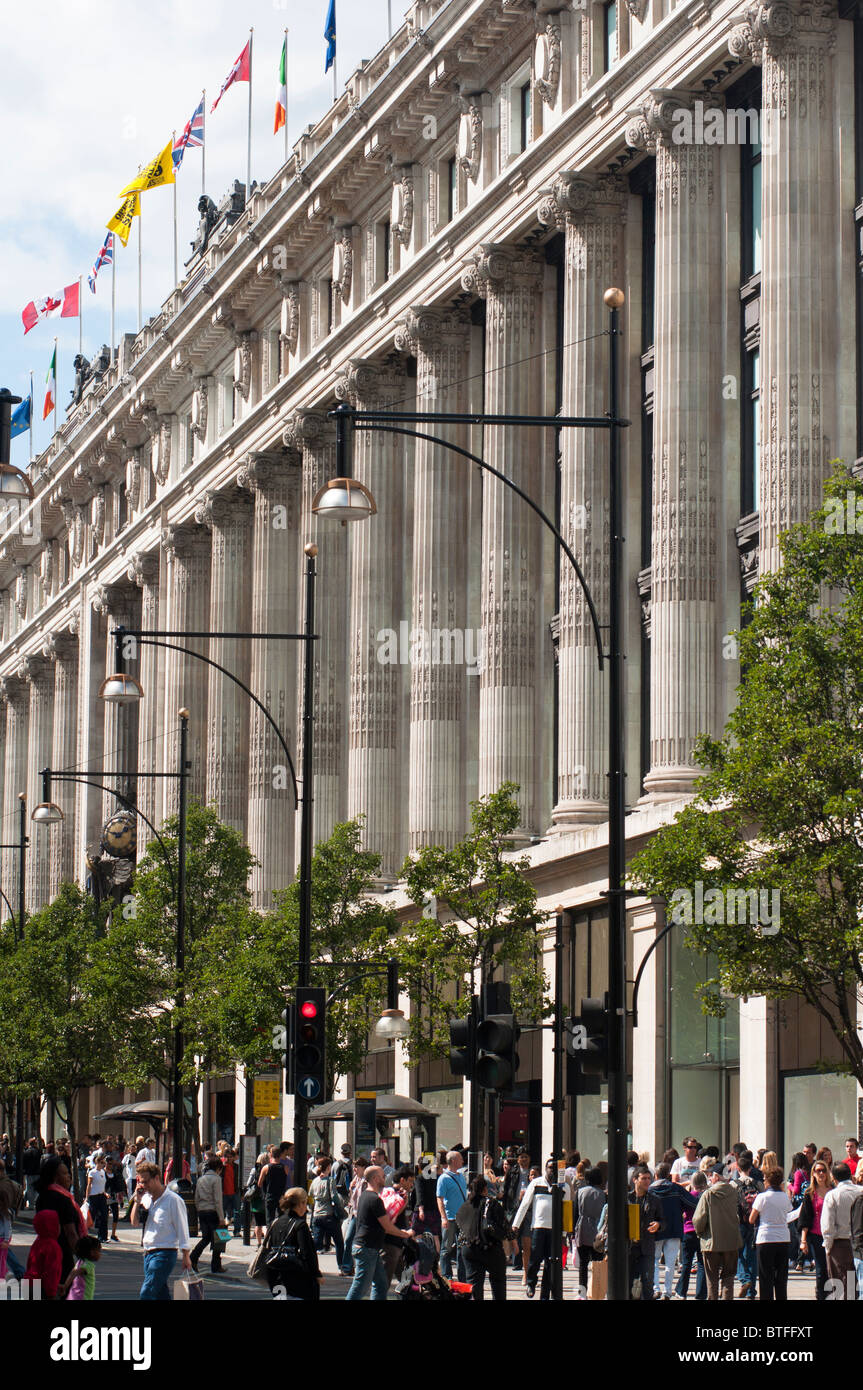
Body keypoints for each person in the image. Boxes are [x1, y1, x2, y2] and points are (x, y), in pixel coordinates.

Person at [345, 1165, 411, 1300]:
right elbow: (387, 1226)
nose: (385, 1178)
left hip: (370, 1248)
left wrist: (403, 1203)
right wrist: (405, 1234)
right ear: (375, 1179)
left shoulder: (366, 1195)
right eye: (382, 1176)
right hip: (366, 1248)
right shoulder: (374, 1199)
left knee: (381, 1285)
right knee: (360, 1286)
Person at [131, 1160, 192, 1299]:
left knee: (146, 1293)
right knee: (160, 1294)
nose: (144, 1186)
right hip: (148, 1252)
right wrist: (137, 1201)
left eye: (146, 1182)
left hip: (164, 1253)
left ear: (157, 1178)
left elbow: (183, 1228)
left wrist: (186, 1255)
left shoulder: (173, 1200)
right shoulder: (146, 1198)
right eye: (141, 1182)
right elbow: (134, 1222)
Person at [514, 1158, 570, 1301]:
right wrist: (516, 1224)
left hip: (555, 1229)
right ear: (546, 1169)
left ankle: (545, 1294)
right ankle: (531, 1283)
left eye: (555, 1168)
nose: (553, 1171)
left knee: (551, 1263)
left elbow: (567, 1211)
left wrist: (564, 1233)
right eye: (550, 1168)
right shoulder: (536, 1183)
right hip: (539, 1226)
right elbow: (525, 1204)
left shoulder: (563, 1187)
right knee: (535, 1257)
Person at [259, 1187, 322, 1300]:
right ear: (301, 1204)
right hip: (295, 1279)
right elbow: (307, 1253)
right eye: (305, 1203)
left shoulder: (276, 1222)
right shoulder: (300, 1225)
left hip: (276, 1277)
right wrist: (316, 1274)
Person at [456, 1173, 511, 1300]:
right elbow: (504, 1226)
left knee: (474, 1284)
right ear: (485, 1189)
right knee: (498, 1282)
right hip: (490, 1247)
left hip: (469, 1248)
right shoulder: (491, 1203)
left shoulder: (464, 1206)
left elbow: (459, 1223)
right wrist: (511, 1239)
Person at [693, 1162, 742, 1301]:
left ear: (716, 1177)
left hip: (711, 1241)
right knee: (728, 1278)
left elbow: (698, 1219)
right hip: (732, 1241)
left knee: (712, 1279)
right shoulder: (734, 1192)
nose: (709, 1178)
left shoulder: (708, 1194)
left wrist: (701, 1233)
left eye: (710, 1175)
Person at [649, 1162, 698, 1299]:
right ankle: (667, 1291)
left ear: (656, 1175)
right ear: (669, 1175)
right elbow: (692, 1203)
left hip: (655, 1229)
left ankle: (655, 1288)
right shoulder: (676, 1188)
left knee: (654, 1260)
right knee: (670, 1262)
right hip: (674, 1228)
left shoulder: (649, 1190)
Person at [34, 1155, 86, 1283]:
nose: (69, 1176)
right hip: (63, 1253)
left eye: (69, 1173)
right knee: (60, 1287)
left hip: (41, 1249)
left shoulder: (42, 1196)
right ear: (55, 1177)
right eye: (65, 1173)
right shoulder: (63, 1200)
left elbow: (31, 1275)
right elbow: (71, 1232)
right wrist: (82, 1257)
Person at [750, 1165, 791, 1300]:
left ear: (767, 1180)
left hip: (766, 1238)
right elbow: (788, 1213)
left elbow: (752, 1219)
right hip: (783, 1238)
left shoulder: (762, 1197)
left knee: (765, 1276)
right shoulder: (785, 1197)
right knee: (781, 1277)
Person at [798, 1157, 834, 1300]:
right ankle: (820, 1296)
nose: (821, 1173)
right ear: (813, 1173)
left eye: (823, 1170)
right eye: (817, 1171)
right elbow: (805, 1218)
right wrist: (803, 1240)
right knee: (820, 1271)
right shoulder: (809, 1193)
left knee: (831, 1270)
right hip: (816, 1235)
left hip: (832, 1235)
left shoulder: (833, 1191)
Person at [821, 1161, 858, 1297]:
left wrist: (828, 1246)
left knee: (840, 1286)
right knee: (855, 1284)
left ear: (834, 1178)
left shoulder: (832, 1195)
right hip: (858, 1242)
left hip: (839, 1244)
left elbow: (827, 1224)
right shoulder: (860, 1192)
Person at [627, 1165, 663, 1300]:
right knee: (628, 1283)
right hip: (629, 1248)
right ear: (635, 1180)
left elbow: (663, 1221)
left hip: (646, 1247)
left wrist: (658, 1225)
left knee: (647, 1283)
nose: (647, 1181)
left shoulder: (654, 1200)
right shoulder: (627, 1199)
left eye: (649, 1178)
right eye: (644, 1178)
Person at [732, 1149, 763, 1300]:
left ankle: (745, 1280)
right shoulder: (758, 1184)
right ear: (750, 1169)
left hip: (738, 1223)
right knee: (751, 1256)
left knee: (737, 1254)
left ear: (738, 1168)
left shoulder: (733, 1184)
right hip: (754, 1223)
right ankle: (752, 1292)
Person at [574, 1167, 607, 1298]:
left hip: (582, 1229)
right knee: (597, 1263)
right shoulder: (604, 1195)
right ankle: (596, 1290)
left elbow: (575, 1212)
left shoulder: (580, 1192)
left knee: (583, 1264)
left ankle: (582, 1293)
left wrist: (572, 1232)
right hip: (598, 1232)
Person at [675, 1171, 708, 1300]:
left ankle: (681, 1291)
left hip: (688, 1231)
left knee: (687, 1263)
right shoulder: (706, 1197)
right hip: (702, 1233)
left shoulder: (688, 1196)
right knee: (701, 1263)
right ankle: (701, 1294)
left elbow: (681, 1213)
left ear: (692, 1183)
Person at [309, 1156, 345, 1271]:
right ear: (328, 1167)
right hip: (329, 1215)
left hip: (316, 1215)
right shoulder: (330, 1180)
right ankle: (341, 1266)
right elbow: (334, 1197)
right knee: (339, 1242)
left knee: (317, 1243)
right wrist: (341, 1209)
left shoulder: (315, 1181)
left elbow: (310, 1197)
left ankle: (308, 1263)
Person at [190, 1157, 226, 1274]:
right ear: (218, 1168)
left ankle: (194, 1257)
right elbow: (217, 1200)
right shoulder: (216, 1179)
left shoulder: (201, 1179)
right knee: (218, 1239)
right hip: (213, 1212)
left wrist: (199, 1209)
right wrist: (221, 1218)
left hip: (202, 1211)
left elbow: (196, 1198)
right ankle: (216, 1265)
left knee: (206, 1238)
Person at [436, 1149, 468, 1281]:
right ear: (453, 1161)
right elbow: (440, 1199)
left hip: (462, 1218)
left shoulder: (461, 1176)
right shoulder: (443, 1178)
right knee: (446, 1248)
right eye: (460, 1158)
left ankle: (462, 1276)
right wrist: (443, 1217)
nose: (463, 1161)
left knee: (462, 1248)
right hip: (450, 1218)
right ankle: (447, 1276)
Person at [24, 1208, 63, 1299]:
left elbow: (30, 1263)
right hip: (41, 1286)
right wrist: (52, 1291)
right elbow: (52, 1271)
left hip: (29, 1282)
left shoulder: (38, 1241)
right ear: (52, 1226)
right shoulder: (53, 1246)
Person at [341, 1155, 369, 1275]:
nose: (355, 1169)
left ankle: (360, 1267)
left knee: (361, 1242)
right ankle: (347, 1267)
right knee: (348, 1239)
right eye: (354, 1167)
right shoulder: (355, 1180)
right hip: (354, 1213)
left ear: (363, 1167)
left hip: (362, 1215)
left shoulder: (366, 1181)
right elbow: (353, 1198)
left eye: (356, 1167)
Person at [409, 1154, 441, 1251]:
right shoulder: (436, 1177)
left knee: (416, 1234)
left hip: (422, 1210)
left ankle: (418, 1256)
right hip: (435, 1210)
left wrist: (420, 1209)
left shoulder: (419, 1178)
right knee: (435, 1235)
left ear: (419, 1166)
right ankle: (437, 1258)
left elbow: (420, 1194)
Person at [62, 1235, 102, 1301]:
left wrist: (65, 1285)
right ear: (92, 1252)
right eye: (99, 1251)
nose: (100, 1254)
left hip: (73, 1295)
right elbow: (75, 1272)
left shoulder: (79, 1262)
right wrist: (65, 1286)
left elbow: (73, 1272)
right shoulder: (89, 1265)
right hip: (83, 1297)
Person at [84, 1154, 109, 1243]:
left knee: (104, 1216)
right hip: (94, 1196)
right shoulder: (92, 1172)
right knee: (92, 1215)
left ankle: (103, 1236)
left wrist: (105, 1192)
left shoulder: (103, 1172)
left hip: (102, 1196)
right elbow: (89, 1185)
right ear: (97, 1163)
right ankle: (85, 1234)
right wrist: (87, 1197)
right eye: (101, 1163)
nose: (103, 1164)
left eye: (104, 1163)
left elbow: (103, 1184)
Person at [104, 1157, 126, 1241]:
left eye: (112, 1164)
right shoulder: (102, 1173)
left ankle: (113, 1234)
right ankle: (104, 1233)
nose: (110, 1165)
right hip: (105, 1196)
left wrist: (122, 1193)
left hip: (114, 1196)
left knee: (115, 1215)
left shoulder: (115, 1173)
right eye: (109, 1163)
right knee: (104, 1215)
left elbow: (120, 1183)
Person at [21, 1139, 41, 1209]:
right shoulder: (38, 1151)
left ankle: (31, 1204)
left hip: (29, 1173)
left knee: (30, 1189)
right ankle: (34, 1202)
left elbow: (24, 1164)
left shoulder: (26, 1152)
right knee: (37, 1189)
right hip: (37, 1173)